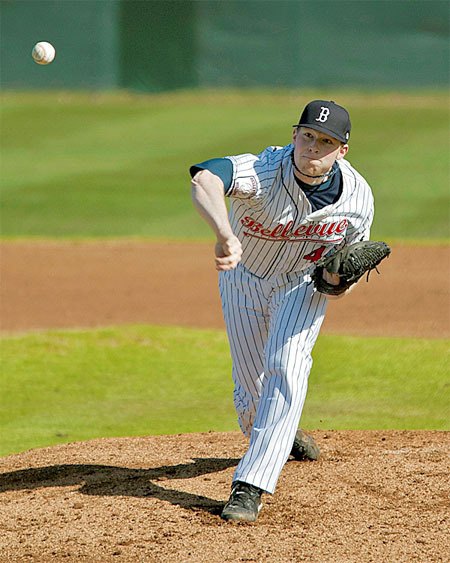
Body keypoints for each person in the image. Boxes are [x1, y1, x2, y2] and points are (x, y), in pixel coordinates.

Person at [190, 100, 374, 522]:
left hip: (300, 286)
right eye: (307, 136)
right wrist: (222, 231)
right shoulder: (264, 170)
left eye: (325, 141)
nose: (313, 147)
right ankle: (282, 433)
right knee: (251, 395)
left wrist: (335, 284)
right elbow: (205, 180)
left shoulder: (358, 199)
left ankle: (250, 485)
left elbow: (343, 273)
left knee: (287, 365)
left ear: (342, 150)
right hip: (244, 276)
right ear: (294, 135)